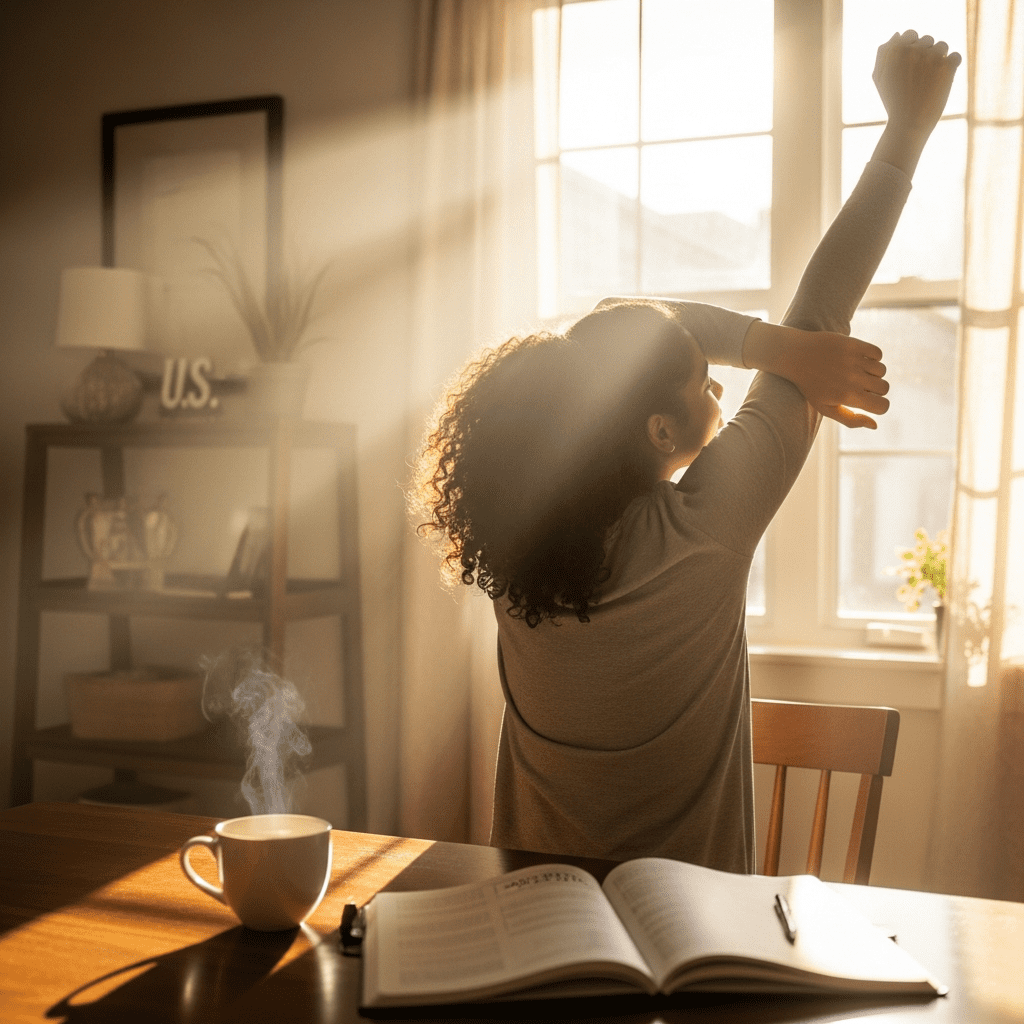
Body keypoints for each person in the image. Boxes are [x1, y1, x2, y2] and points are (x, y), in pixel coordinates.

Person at [409, 31, 961, 871]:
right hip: (688, 941)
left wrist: (770, 348)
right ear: (659, 434)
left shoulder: (519, 556)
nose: (720, 391)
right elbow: (818, 302)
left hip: (529, 919)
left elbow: (606, 322)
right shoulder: (706, 527)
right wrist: (907, 131)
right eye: (704, 382)